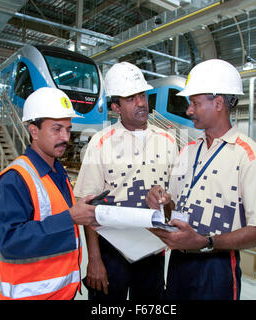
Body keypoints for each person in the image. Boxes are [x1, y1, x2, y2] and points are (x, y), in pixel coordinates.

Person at [146, 59, 256, 300]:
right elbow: (173, 210)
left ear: (218, 103)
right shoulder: (186, 152)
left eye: (195, 103)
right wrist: (163, 202)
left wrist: (205, 242)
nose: (188, 111)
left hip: (217, 267)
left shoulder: (248, 156)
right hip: (178, 263)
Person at [73, 61, 178, 300]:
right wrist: (95, 260)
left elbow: (174, 202)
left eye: (141, 94)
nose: (140, 103)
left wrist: (167, 201)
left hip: (152, 249)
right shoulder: (100, 143)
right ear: (116, 107)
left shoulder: (168, 141)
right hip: (112, 252)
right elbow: (88, 207)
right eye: (130, 98)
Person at [0, 87, 98, 300]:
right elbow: (10, 242)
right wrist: (70, 218)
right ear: (34, 131)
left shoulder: (58, 172)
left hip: (62, 293)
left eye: (68, 129)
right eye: (56, 129)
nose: (65, 137)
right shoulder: (15, 178)